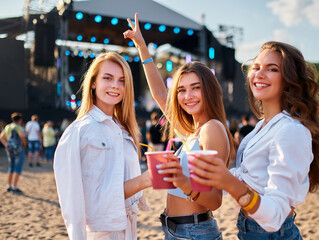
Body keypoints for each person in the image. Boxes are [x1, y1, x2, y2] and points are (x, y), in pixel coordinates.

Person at [188, 41, 319, 239]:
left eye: (272, 69)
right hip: (250, 228)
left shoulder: (290, 130)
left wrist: (229, 182)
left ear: (289, 79)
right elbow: (252, 176)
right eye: (256, 67)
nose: (260, 74)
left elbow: (275, 218)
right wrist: (213, 175)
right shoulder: (262, 126)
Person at [124, 13, 234, 239]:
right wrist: (143, 48)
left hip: (195, 232)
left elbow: (215, 200)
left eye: (195, 88)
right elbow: (159, 94)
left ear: (209, 90)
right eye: (182, 90)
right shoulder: (193, 132)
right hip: (175, 230)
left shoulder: (212, 129)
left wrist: (183, 183)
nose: (188, 96)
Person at [53, 52, 151, 240]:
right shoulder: (80, 131)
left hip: (128, 229)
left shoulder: (124, 130)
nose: (116, 85)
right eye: (108, 78)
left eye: (122, 81)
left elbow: (115, 186)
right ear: (93, 82)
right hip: (99, 233)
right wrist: (145, 181)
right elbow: (72, 200)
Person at [0, 112, 27, 194]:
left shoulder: (8, 127)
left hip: (10, 150)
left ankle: (9, 186)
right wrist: (24, 145)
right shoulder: (18, 127)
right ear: (20, 120)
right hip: (18, 150)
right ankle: (14, 187)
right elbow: (22, 137)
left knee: (11, 167)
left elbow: (1, 137)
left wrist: (6, 145)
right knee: (17, 168)